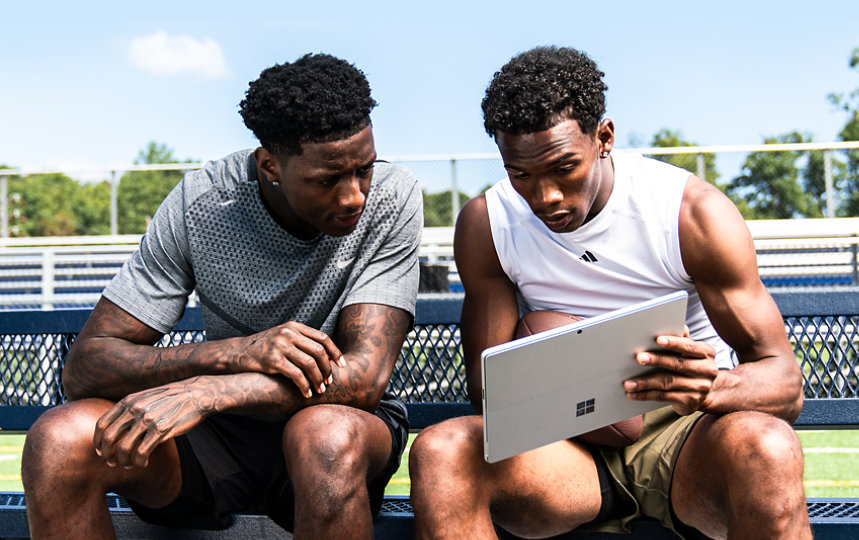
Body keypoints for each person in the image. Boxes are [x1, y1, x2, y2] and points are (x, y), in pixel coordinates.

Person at [409, 46, 811, 540]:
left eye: (563, 168)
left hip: (684, 431)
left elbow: (785, 382)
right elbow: (484, 388)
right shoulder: (488, 223)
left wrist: (710, 387)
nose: (544, 197)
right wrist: (568, 379)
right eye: (521, 175)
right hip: (565, 443)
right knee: (441, 451)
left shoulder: (688, 213)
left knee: (768, 447)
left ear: (604, 137)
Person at [22, 53, 422, 539]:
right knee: (61, 439)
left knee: (325, 437)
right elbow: (86, 367)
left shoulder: (393, 199)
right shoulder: (201, 203)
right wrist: (235, 353)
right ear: (270, 165)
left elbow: (363, 380)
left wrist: (211, 389)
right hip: (217, 438)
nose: (354, 195)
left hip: (338, 424)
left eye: (364, 169)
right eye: (327, 180)